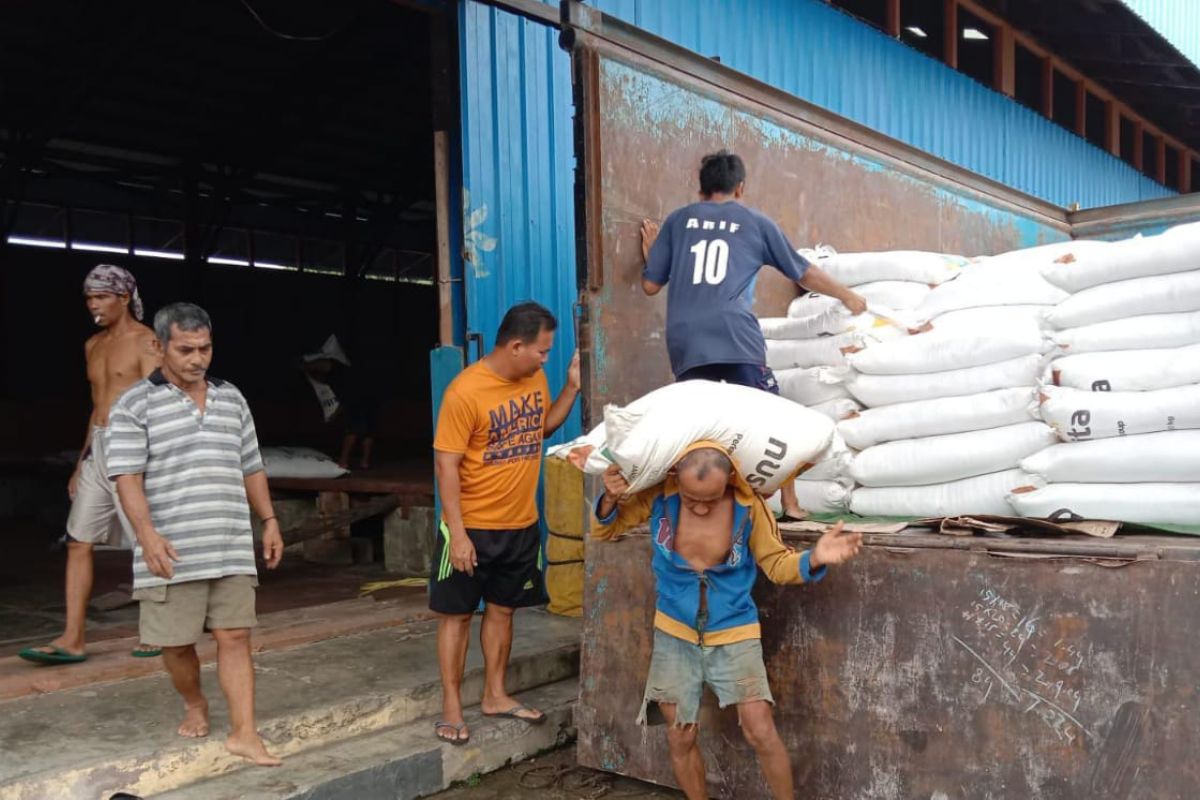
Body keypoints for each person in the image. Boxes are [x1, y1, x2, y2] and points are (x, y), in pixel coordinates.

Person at [592, 445, 863, 800]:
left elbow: (778, 564)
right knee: (681, 734)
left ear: (730, 481)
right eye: (692, 500)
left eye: (711, 499)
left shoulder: (749, 508)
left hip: (735, 631)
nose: (702, 507)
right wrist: (610, 499)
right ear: (675, 480)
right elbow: (605, 531)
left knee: (760, 730)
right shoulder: (657, 498)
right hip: (674, 631)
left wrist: (814, 558)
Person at [641, 150, 866, 521]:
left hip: (686, 342)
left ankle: (699, 509)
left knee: (701, 426)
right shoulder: (755, 222)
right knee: (771, 416)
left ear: (701, 189)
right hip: (734, 336)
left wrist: (654, 256)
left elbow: (651, 284)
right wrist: (847, 295)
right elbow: (803, 273)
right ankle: (790, 504)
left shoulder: (678, 221)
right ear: (740, 187)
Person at [106, 302, 285, 766]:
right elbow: (127, 477)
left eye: (205, 348)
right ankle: (194, 701)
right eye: (186, 349)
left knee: (235, 637)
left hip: (228, 543)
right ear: (158, 346)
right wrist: (146, 536)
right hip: (171, 548)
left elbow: (252, 464)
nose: (198, 358)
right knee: (176, 644)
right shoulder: (134, 405)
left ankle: (245, 732)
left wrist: (268, 520)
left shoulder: (232, 397)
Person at [430, 301, 581, 745]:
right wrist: (457, 535)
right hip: (471, 526)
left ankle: (495, 694)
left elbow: (542, 429)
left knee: (503, 609)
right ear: (516, 345)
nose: (546, 359)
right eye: (542, 351)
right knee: (455, 616)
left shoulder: (531, 378)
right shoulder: (465, 392)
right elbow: (446, 467)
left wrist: (570, 389)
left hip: (520, 524)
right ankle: (452, 706)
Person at [19, 265, 162, 665]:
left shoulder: (147, 342)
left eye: (100, 297)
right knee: (79, 541)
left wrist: (150, 461)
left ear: (123, 298)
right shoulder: (92, 345)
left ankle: (156, 630)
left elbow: (158, 404)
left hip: (133, 447)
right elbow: (97, 407)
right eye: (88, 298)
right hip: (99, 447)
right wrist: (81, 461)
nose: (93, 305)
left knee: (143, 540)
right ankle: (73, 638)